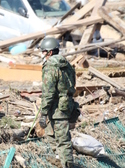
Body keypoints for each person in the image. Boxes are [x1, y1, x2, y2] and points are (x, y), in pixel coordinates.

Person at [38, 37, 79, 168]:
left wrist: (43, 113)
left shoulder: (50, 66)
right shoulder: (67, 64)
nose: (42, 54)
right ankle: (60, 161)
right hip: (66, 105)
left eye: (44, 52)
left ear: (49, 53)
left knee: (62, 140)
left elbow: (48, 92)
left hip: (57, 108)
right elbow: (72, 86)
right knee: (52, 135)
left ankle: (66, 165)